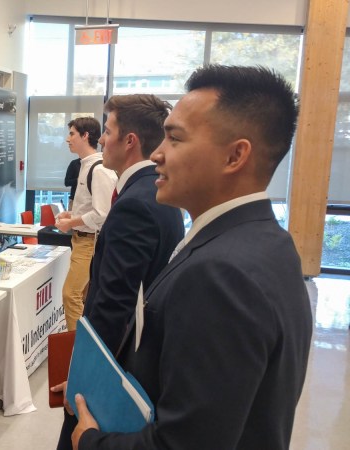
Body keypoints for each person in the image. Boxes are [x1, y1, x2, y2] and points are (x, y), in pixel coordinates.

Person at [69, 65, 313, 450]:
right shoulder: (267, 240)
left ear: (235, 155)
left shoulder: (221, 273)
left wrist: (92, 442)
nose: (158, 154)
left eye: (175, 138)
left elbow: (185, 442)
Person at [53, 94, 185, 450]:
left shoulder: (135, 204)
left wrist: (85, 378)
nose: (100, 140)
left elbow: (114, 303)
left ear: (130, 141)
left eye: (108, 131)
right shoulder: (156, 192)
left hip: (116, 369)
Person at [55, 117, 117, 332]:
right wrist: (71, 214)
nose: (67, 139)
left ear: (85, 136)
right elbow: (92, 207)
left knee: (71, 295)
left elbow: (103, 213)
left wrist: (72, 221)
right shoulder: (86, 165)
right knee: (81, 296)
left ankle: (76, 345)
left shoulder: (99, 169)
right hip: (81, 240)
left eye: (72, 133)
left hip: (89, 242)